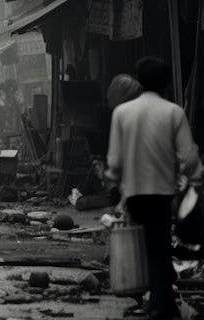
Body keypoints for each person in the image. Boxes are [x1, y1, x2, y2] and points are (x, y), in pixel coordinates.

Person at [106, 56, 202, 320]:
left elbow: (114, 161)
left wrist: (114, 182)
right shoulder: (173, 112)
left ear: (140, 80)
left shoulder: (122, 113)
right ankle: (162, 303)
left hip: (135, 193)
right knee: (160, 245)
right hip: (163, 193)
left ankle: (159, 301)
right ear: (167, 83)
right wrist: (193, 183)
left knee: (148, 246)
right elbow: (189, 157)